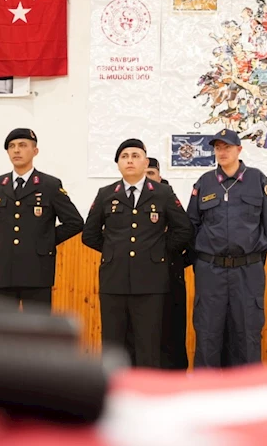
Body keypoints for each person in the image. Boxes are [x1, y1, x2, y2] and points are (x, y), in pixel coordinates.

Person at [82, 139, 193, 368]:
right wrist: (114, 252)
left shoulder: (163, 193)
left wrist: (158, 251)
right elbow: (89, 235)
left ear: (145, 162)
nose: (130, 160)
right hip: (114, 281)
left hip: (151, 282)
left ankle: (146, 396)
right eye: (124, 156)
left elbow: (184, 230)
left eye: (135, 155)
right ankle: (114, 394)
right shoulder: (105, 194)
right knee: (113, 345)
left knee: (148, 345)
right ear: (118, 164)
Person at [187, 128, 267, 368]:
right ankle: (205, 396)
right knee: (208, 333)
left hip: (247, 272)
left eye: (227, 147)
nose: (222, 152)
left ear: (239, 149)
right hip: (211, 271)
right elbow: (192, 225)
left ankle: (247, 397)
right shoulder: (205, 182)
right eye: (218, 148)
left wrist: (253, 257)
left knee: (247, 334)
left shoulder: (257, 179)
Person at [0, 128, 83, 311]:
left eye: (23, 145)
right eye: (12, 146)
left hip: (37, 269)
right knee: (3, 330)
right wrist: (2, 239)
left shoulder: (49, 185)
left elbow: (75, 222)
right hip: (4, 269)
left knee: (38, 330)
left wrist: (45, 241)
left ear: (35, 151)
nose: (16, 150)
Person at [121, 156, 190, 370]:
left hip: (169, 276)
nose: (147, 178)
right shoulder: (127, 199)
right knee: (136, 334)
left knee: (171, 332)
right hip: (136, 278)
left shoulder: (169, 198)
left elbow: (187, 233)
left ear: (159, 176)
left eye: (151, 174)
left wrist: (163, 253)